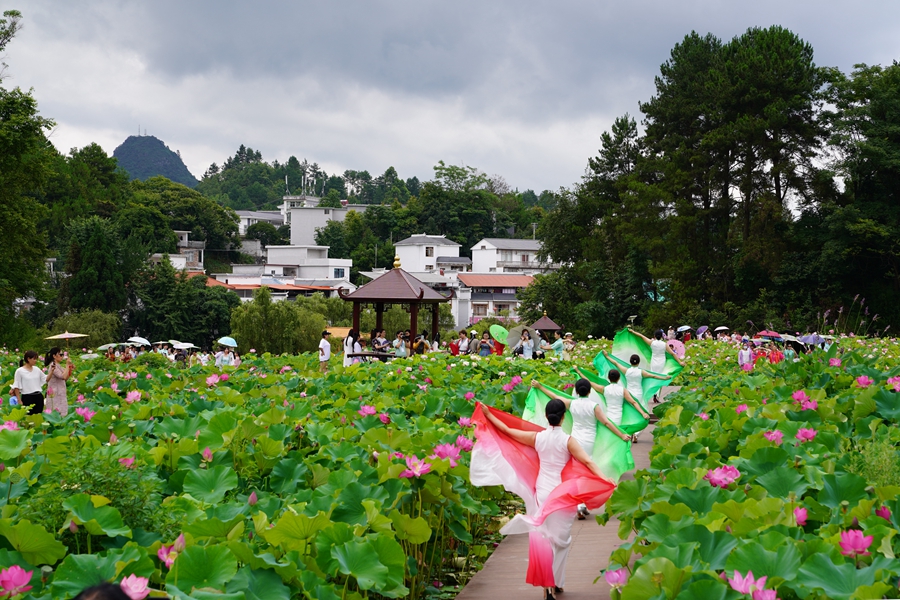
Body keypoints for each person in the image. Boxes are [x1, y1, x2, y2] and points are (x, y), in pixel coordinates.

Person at [473, 400, 612, 599]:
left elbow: (507, 430)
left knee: (544, 536)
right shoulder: (568, 441)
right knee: (562, 540)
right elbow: (588, 461)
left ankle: (548, 585)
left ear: (547, 416)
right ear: (564, 417)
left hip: (543, 491)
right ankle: (555, 582)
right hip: (562, 492)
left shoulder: (537, 438)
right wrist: (603, 478)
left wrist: (488, 414)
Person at [532, 379, 629, 519]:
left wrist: (540, 386)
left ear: (576, 391)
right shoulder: (594, 406)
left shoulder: (572, 403)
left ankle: (576, 504)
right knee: (587, 471)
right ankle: (582, 505)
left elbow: (555, 397)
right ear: (590, 391)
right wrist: (621, 435)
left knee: (575, 472)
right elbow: (607, 423)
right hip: (589, 441)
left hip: (574, 441)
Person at [12, 350, 45, 415]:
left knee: (38, 417)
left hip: (38, 396)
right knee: (28, 417)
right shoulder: (19, 371)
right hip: (27, 397)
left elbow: (45, 378)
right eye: (34, 359)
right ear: (28, 359)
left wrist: (52, 371)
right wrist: (19, 400)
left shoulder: (37, 369)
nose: (36, 361)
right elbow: (16, 385)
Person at [44, 347, 73, 416]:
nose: (62, 356)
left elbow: (66, 377)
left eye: (62, 354)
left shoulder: (58, 365)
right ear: (54, 356)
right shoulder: (53, 366)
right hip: (54, 394)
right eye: (60, 354)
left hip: (61, 393)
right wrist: (67, 365)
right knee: (55, 414)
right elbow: (62, 376)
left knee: (62, 413)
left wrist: (70, 368)